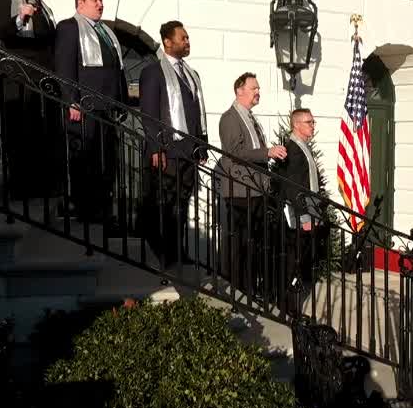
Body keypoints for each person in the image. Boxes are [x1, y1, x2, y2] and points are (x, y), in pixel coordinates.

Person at [54, 0, 129, 229]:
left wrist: (123, 101)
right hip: (85, 106)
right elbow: (64, 67)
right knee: (86, 159)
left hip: (107, 107)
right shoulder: (69, 27)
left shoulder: (107, 31)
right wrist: (71, 100)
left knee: (107, 161)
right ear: (80, 4)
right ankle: (85, 208)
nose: (100, 4)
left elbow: (118, 70)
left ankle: (103, 208)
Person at [138, 20, 208, 268]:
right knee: (164, 204)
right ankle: (163, 252)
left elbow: (197, 111)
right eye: (183, 38)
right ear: (168, 41)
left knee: (181, 204)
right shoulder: (152, 72)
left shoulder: (192, 74)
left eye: (188, 38)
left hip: (188, 151)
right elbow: (148, 114)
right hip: (167, 150)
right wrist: (156, 147)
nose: (187, 42)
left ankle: (180, 251)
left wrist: (202, 145)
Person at [0, 0, 60, 201]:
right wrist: (21, 17)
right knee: (20, 131)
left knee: (43, 133)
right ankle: (19, 187)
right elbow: (1, 31)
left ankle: (43, 184)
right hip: (19, 78)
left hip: (45, 81)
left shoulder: (44, 6)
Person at [218, 73, 287, 295]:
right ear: (240, 91)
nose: (258, 92)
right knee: (240, 243)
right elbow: (234, 152)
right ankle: (239, 290)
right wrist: (267, 152)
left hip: (257, 191)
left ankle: (250, 287)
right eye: (254, 88)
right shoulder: (230, 117)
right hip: (240, 189)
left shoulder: (250, 117)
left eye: (258, 89)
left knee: (253, 243)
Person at [278, 108, 323, 314]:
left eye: (313, 122)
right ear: (296, 125)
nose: (312, 126)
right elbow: (294, 187)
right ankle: (289, 303)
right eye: (308, 122)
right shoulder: (294, 150)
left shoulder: (303, 146)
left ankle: (291, 299)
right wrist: (305, 215)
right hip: (299, 212)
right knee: (294, 257)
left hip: (308, 208)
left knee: (300, 256)